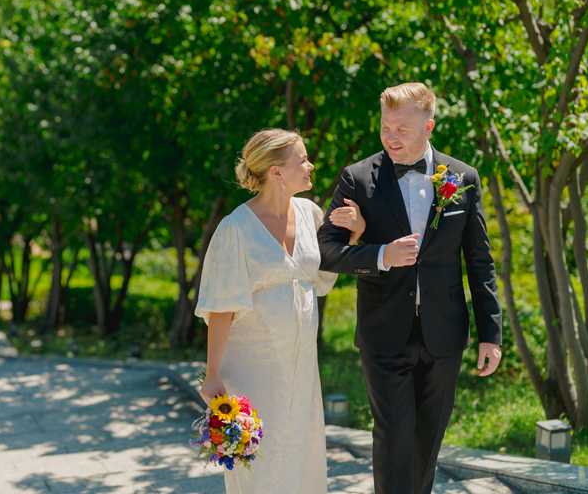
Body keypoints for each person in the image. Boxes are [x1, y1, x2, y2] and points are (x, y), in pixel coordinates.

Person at [317, 83, 503, 494]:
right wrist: (381, 254)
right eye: (385, 128)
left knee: (427, 440)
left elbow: (480, 262)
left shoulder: (463, 178)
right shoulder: (358, 177)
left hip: (445, 332)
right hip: (384, 333)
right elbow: (324, 251)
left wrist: (491, 334)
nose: (391, 137)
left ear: (429, 127)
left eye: (402, 129)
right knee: (393, 439)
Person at [196, 128, 364, 494]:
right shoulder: (235, 229)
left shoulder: (310, 214)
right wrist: (211, 372)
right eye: (302, 159)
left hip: (302, 370)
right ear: (276, 172)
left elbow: (322, 277)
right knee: (261, 467)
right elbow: (221, 308)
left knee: (303, 461)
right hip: (253, 372)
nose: (311, 165)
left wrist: (354, 235)